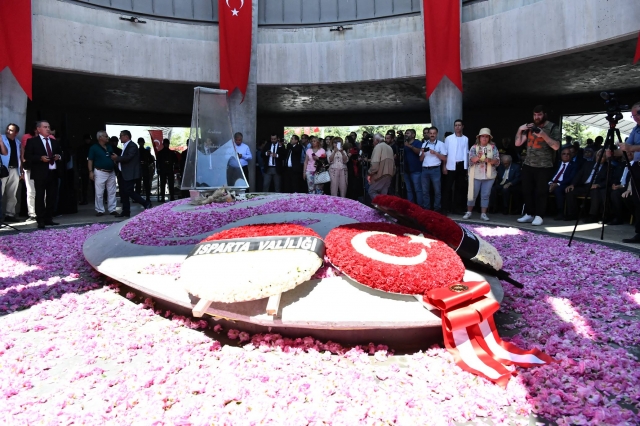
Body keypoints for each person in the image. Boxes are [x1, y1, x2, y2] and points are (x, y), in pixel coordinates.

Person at [515, 105, 561, 226]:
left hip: (544, 165)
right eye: (535, 115)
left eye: (539, 114)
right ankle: (529, 214)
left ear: (544, 114)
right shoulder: (530, 127)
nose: (537, 117)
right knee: (526, 190)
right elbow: (518, 143)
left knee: (541, 192)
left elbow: (556, 146)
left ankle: (539, 215)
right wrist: (520, 129)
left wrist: (543, 135)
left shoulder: (552, 127)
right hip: (528, 164)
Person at [24, 120, 62, 229]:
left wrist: (58, 157)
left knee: (52, 196)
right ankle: (40, 219)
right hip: (40, 173)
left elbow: (61, 154)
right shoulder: (32, 141)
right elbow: (28, 156)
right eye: (45, 127)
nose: (48, 129)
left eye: (49, 127)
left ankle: (48, 218)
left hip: (53, 173)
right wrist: (40, 158)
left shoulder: (54, 142)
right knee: (40, 197)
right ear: (38, 129)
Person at [111, 130, 152, 218]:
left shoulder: (132, 145)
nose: (120, 138)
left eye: (121, 136)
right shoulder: (126, 146)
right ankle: (126, 211)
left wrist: (117, 158)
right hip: (123, 173)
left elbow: (128, 157)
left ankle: (145, 203)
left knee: (128, 190)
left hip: (130, 173)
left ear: (126, 136)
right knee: (124, 192)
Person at [462, 128, 500, 221]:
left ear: (489, 138)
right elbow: (471, 160)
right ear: (479, 137)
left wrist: (490, 160)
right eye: (482, 136)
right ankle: (469, 212)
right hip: (476, 174)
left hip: (489, 175)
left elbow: (497, 161)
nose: (484, 138)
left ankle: (483, 214)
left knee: (485, 195)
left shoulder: (493, 148)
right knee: (472, 193)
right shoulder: (474, 147)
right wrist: (478, 157)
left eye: (486, 136)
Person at [87, 131, 117, 216]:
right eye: (106, 136)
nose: (108, 137)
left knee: (112, 191)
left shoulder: (109, 146)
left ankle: (112, 209)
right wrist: (90, 171)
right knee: (99, 192)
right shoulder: (94, 148)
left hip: (111, 172)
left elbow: (112, 156)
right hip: (100, 171)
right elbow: (90, 160)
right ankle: (100, 210)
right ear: (100, 137)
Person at [443, 119, 469, 215]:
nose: (457, 127)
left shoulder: (465, 139)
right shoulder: (449, 138)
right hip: (450, 165)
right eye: (456, 125)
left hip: (461, 165)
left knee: (459, 188)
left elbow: (466, 153)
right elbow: (445, 153)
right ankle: (445, 208)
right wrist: (444, 166)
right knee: (448, 188)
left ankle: (457, 208)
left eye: (459, 125)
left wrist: (466, 168)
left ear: (462, 126)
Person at [419, 126, 447, 212]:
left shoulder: (441, 144)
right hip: (425, 170)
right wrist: (423, 152)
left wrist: (435, 153)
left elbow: (445, 158)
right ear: (428, 134)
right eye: (430, 133)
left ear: (437, 134)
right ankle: (426, 209)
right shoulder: (424, 144)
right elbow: (420, 159)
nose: (432, 135)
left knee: (437, 191)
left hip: (435, 169)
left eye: (434, 133)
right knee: (425, 191)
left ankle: (437, 209)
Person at [548, 146, 578, 220]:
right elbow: (549, 174)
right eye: (564, 154)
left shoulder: (574, 165)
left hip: (563, 184)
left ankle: (560, 213)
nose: (566, 155)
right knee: (540, 188)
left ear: (571, 156)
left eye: (568, 154)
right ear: (561, 155)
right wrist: (550, 183)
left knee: (558, 190)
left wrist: (557, 184)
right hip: (551, 182)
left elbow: (571, 178)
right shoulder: (556, 164)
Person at [1, 123, 22, 222]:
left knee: (12, 194)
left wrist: (21, 171)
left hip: (14, 170)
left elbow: (20, 158)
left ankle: (10, 214)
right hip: (3, 169)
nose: (8, 131)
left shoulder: (18, 142)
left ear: (16, 133)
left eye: (11, 130)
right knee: (0, 192)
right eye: (8, 129)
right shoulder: (2, 139)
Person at [368, 133, 395, 200]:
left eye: (373, 140)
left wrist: (370, 172)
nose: (373, 142)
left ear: (376, 140)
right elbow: (393, 165)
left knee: (371, 191)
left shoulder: (378, 147)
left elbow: (375, 164)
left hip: (380, 175)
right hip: (389, 175)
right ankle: (383, 209)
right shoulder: (389, 147)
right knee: (384, 195)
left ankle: (381, 206)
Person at [402, 129, 423, 206]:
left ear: (413, 135)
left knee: (418, 190)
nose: (406, 134)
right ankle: (410, 206)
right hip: (406, 170)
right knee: (409, 190)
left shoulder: (418, 143)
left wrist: (409, 146)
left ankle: (420, 207)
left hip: (416, 170)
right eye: (405, 133)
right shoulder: (403, 144)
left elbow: (419, 152)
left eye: (408, 133)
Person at [135, 137, 155, 203]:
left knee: (146, 184)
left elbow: (151, 160)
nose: (141, 143)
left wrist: (147, 164)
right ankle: (137, 197)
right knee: (138, 184)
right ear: (138, 143)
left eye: (142, 142)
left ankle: (147, 197)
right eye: (140, 142)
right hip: (139, 168)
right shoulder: (136, 151)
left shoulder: (146, 151)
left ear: (143, 143)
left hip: (145, 167)